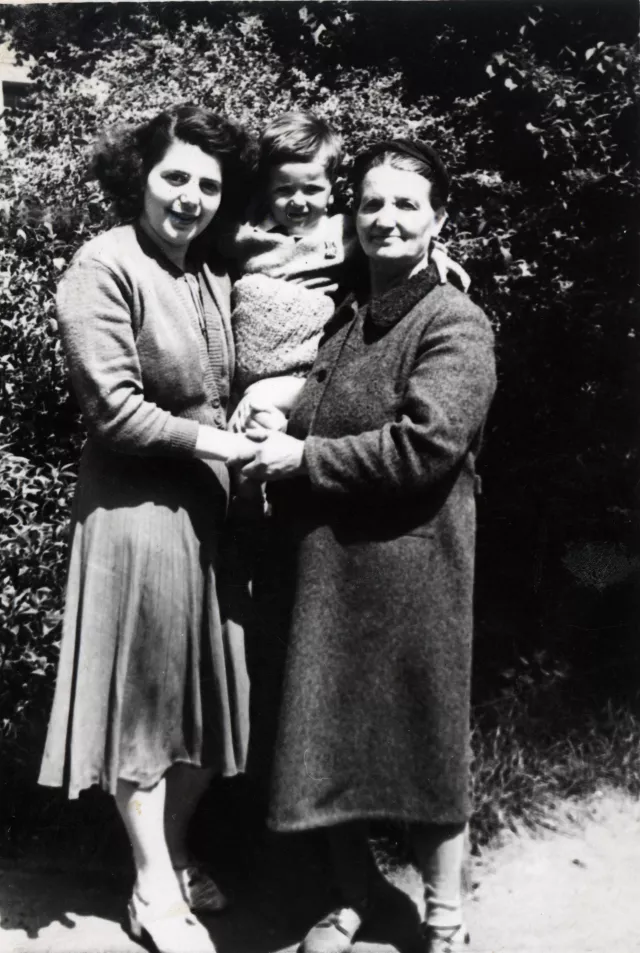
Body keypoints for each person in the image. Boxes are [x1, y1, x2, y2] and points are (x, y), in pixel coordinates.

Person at [240, 139, 497, 953]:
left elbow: (428, 444)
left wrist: (303, 457)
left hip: (414, 568)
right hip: (328, 567)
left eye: (406, 203)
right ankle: (355, 898)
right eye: (373, 203)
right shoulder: (351, 315)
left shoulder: (454, 319)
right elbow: (320, 399)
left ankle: (446, 922)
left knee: (423, 749)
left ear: (437, 220)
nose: (386, 217)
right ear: (354, 218)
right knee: (317, 745)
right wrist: (276, 418)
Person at [38, 105, 259, 953]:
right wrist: (224, 443)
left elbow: (314, 267)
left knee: (218, 697)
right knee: (146, 709)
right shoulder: (102, 266)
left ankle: (165, 853)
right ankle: (157, 892)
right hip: (135, 514)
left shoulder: (206, 271)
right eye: (176, 177)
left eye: (208, 183)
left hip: (209, 513)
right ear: (141, 177)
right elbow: (116, 410)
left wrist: (428, 257)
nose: (192, 196)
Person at [224, 111, 470, 434]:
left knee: (265, 438)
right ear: (266, 189)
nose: (297, 201)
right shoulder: (248, 236)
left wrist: (442, 263)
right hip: (241, 379)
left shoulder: (343, 233)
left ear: (330, 189)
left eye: (311, 189)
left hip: (300, 376)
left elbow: (402, 243)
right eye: (284, 190)